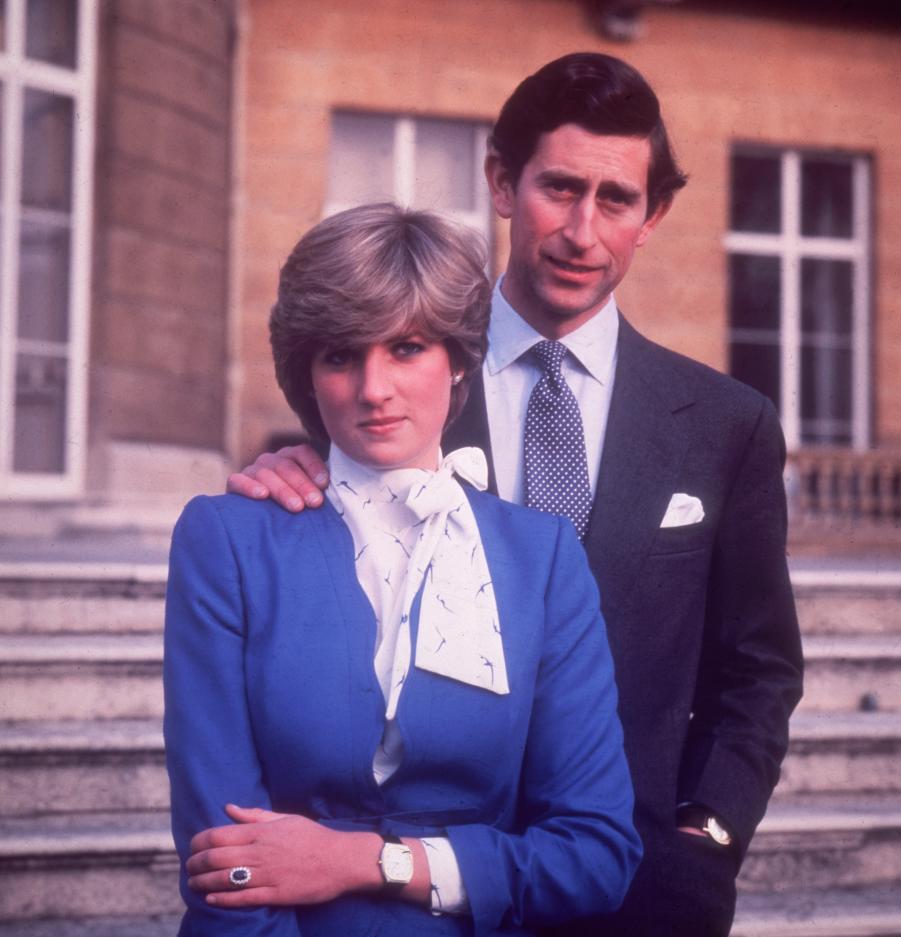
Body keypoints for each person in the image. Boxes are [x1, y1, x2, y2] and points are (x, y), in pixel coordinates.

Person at [227, 53, 804, 936]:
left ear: (653, 216)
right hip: (411, 891)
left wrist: (710, 831)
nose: (582, 229)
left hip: (642, 887)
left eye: (616, 199)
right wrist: (286, 471)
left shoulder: (727, 425)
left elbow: (758, 667)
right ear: (502, 182)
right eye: (560, 188)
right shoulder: (398, 385)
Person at [163, 203, 641, 937]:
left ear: (457, 361)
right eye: (341, 355)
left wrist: (368, 861)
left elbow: (595, 855)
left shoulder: (541, 559)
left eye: (407, 347)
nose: (373, 387)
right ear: (306, 373)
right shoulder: (227, 539)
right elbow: (225, 867)